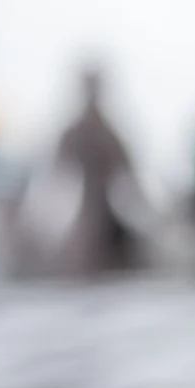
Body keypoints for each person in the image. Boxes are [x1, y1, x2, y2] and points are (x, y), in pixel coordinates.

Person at [49, 63, 142, 275]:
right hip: (84, 218)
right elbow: (56, 176)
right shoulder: (77, 131)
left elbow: (129, 179)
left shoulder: (109, 133)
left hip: (108, 221)